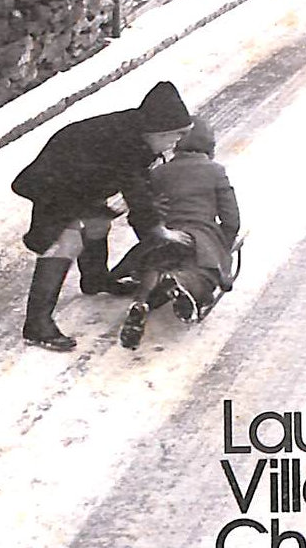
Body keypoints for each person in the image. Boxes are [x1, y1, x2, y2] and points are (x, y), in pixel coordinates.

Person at [12, 80, 193, 352]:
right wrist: (158, 232)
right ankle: (37, 326)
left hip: (83, 180)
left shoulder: (139, 135)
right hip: (55, 182)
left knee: (98, 223)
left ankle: (95, 279)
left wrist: (151, 221)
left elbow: (139, 190)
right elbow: (136, 192)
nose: (174, 143)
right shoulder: (127, 142)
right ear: (156, 131)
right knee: (64, 242)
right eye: (173, 137)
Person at [119, 114, 241, 350]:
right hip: (201, 236)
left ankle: (142, 301)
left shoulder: (158, 173)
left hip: (166, 233)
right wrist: (221, 247)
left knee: (157, 265)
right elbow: (231, 218)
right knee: (202, 272)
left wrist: (154, 235)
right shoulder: (215, 171)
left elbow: (141, 213)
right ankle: (183, 285)